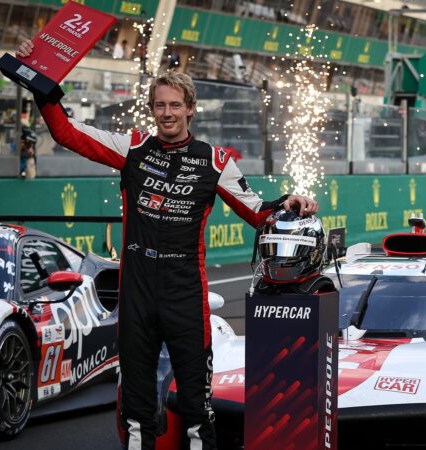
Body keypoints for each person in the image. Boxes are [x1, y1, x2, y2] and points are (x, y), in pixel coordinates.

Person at [16, 40, 318, 450]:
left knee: (197, 410)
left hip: (185, 293)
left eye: (175, 105)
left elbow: (257, 212)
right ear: (152, 109)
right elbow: (65, 132)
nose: (167, 114)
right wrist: (37, 79)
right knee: (137, 411)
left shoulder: (215, 161)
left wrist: (289, 203)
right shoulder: (133, 148)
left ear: (190, 108)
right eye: (160, 106)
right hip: (138, 290)